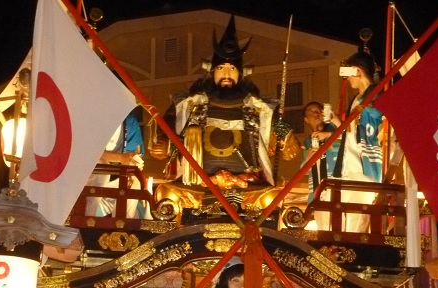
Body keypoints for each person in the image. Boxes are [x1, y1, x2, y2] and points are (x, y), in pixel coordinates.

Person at [152, 15, 299, 192]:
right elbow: (166, 136)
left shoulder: (261, 109)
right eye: (221, 68)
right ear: (212, 71)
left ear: (241, 73)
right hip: (197, 186)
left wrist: (283, 132)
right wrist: (164, 145)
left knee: (270, 198)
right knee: (166, 193)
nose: (226, 74)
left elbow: (289, 152)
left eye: (232, 69)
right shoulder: (188, 105)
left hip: (248, 186)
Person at [334, 49, 384, 232]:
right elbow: (352, 130)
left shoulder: (376, 95)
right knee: (344, 216)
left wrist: (366, 110)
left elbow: (381, 123)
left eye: (349, 73)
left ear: (357, 70)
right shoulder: (357, 99)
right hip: (350, 162)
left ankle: (354, 247)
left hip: (365, 163)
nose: (348, 79)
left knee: (358, 220)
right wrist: (337, 123)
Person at [86, 109, 146, 218]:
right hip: (89, 174)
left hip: (117, 177)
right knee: (102, 167)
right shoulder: (90, 116)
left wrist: (134, 162)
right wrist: (120, 157)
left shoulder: (129, 122)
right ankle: (86, 219)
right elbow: (88, 150)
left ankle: (123, 224)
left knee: (135, 183)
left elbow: (134, 154)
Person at [301, 101, 342, 230]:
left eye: (318, 111)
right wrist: (307, 159)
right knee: (323, 229)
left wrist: (329, 135)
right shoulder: (308, 142)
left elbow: (349, 140)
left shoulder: (337, 131)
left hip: (337, 187)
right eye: (311, 112)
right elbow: (303, 170)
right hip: (317, 191)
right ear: (306, 119)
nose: (316, 114)